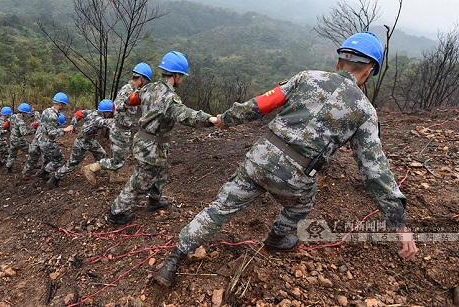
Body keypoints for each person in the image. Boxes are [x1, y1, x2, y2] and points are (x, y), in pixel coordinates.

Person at [154, 31, 419, 287]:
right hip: (295, 178)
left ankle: (174, 259)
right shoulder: (365, 112)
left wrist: (226, 119)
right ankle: (277, 238)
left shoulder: (306, 78)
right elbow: (375, 172)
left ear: (339, 62)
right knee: (302, 204)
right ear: (370, 70)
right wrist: (398, 222)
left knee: (219, 209)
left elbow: (261, 105)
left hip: (259, 159)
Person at [107, 51, 218, 225]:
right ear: (177, 75)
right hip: (150, 146)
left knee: (162, 171)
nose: (182, 80)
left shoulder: (148, 88)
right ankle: (116, 212)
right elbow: (184, 114)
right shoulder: (168, 97)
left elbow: (132, 99)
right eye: (182, 77)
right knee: (140, 181)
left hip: (151, 143)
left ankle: (154, 200)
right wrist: (209, 119)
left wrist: (127, 104)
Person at [82, 62, 152, 185]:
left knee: (118, 154)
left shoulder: (134, 90)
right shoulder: (128, 89)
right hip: (120, 129)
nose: (145, 84)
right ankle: (91, 168)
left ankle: (114, 177)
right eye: (146, 81)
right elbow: (116, 105)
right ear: (141, 78)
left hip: (122, 128)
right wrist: (127, 103)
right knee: (118, 160)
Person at [47, 100, 114, 188]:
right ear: (106, 112)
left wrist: (72, 125)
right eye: (109, 113)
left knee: (101, 153)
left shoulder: (92, 112)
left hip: (90, 140)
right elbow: (107, 122)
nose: (110, 115)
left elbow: (78, 113)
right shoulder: (98, 119)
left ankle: (96, 170)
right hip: (81, 143)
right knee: (72, 164)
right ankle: (54, 179)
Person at [35, 92, 74, 180]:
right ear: (60, 104)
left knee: (47, 158)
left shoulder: (46, 110)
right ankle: (43, 172)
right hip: (47, 141)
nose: (63, 107)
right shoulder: (53, 116)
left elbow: (46, 126)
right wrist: (64, 130)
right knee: (59, 159)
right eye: (63, 105)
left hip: (40, 138)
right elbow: (51, 132)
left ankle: (44, 175)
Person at [6, 103, 36, 173]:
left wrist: (10, 130)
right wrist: (34, 131)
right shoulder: (21, 121)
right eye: (26, 113)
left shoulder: (13, 116)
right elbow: (24, 133)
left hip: (12, 138)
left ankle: (8, 168)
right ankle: (32, 165)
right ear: (24, 113)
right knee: (31, 151)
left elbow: (6, 124)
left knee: (12, 154)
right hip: (19, 141)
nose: (27, 115)